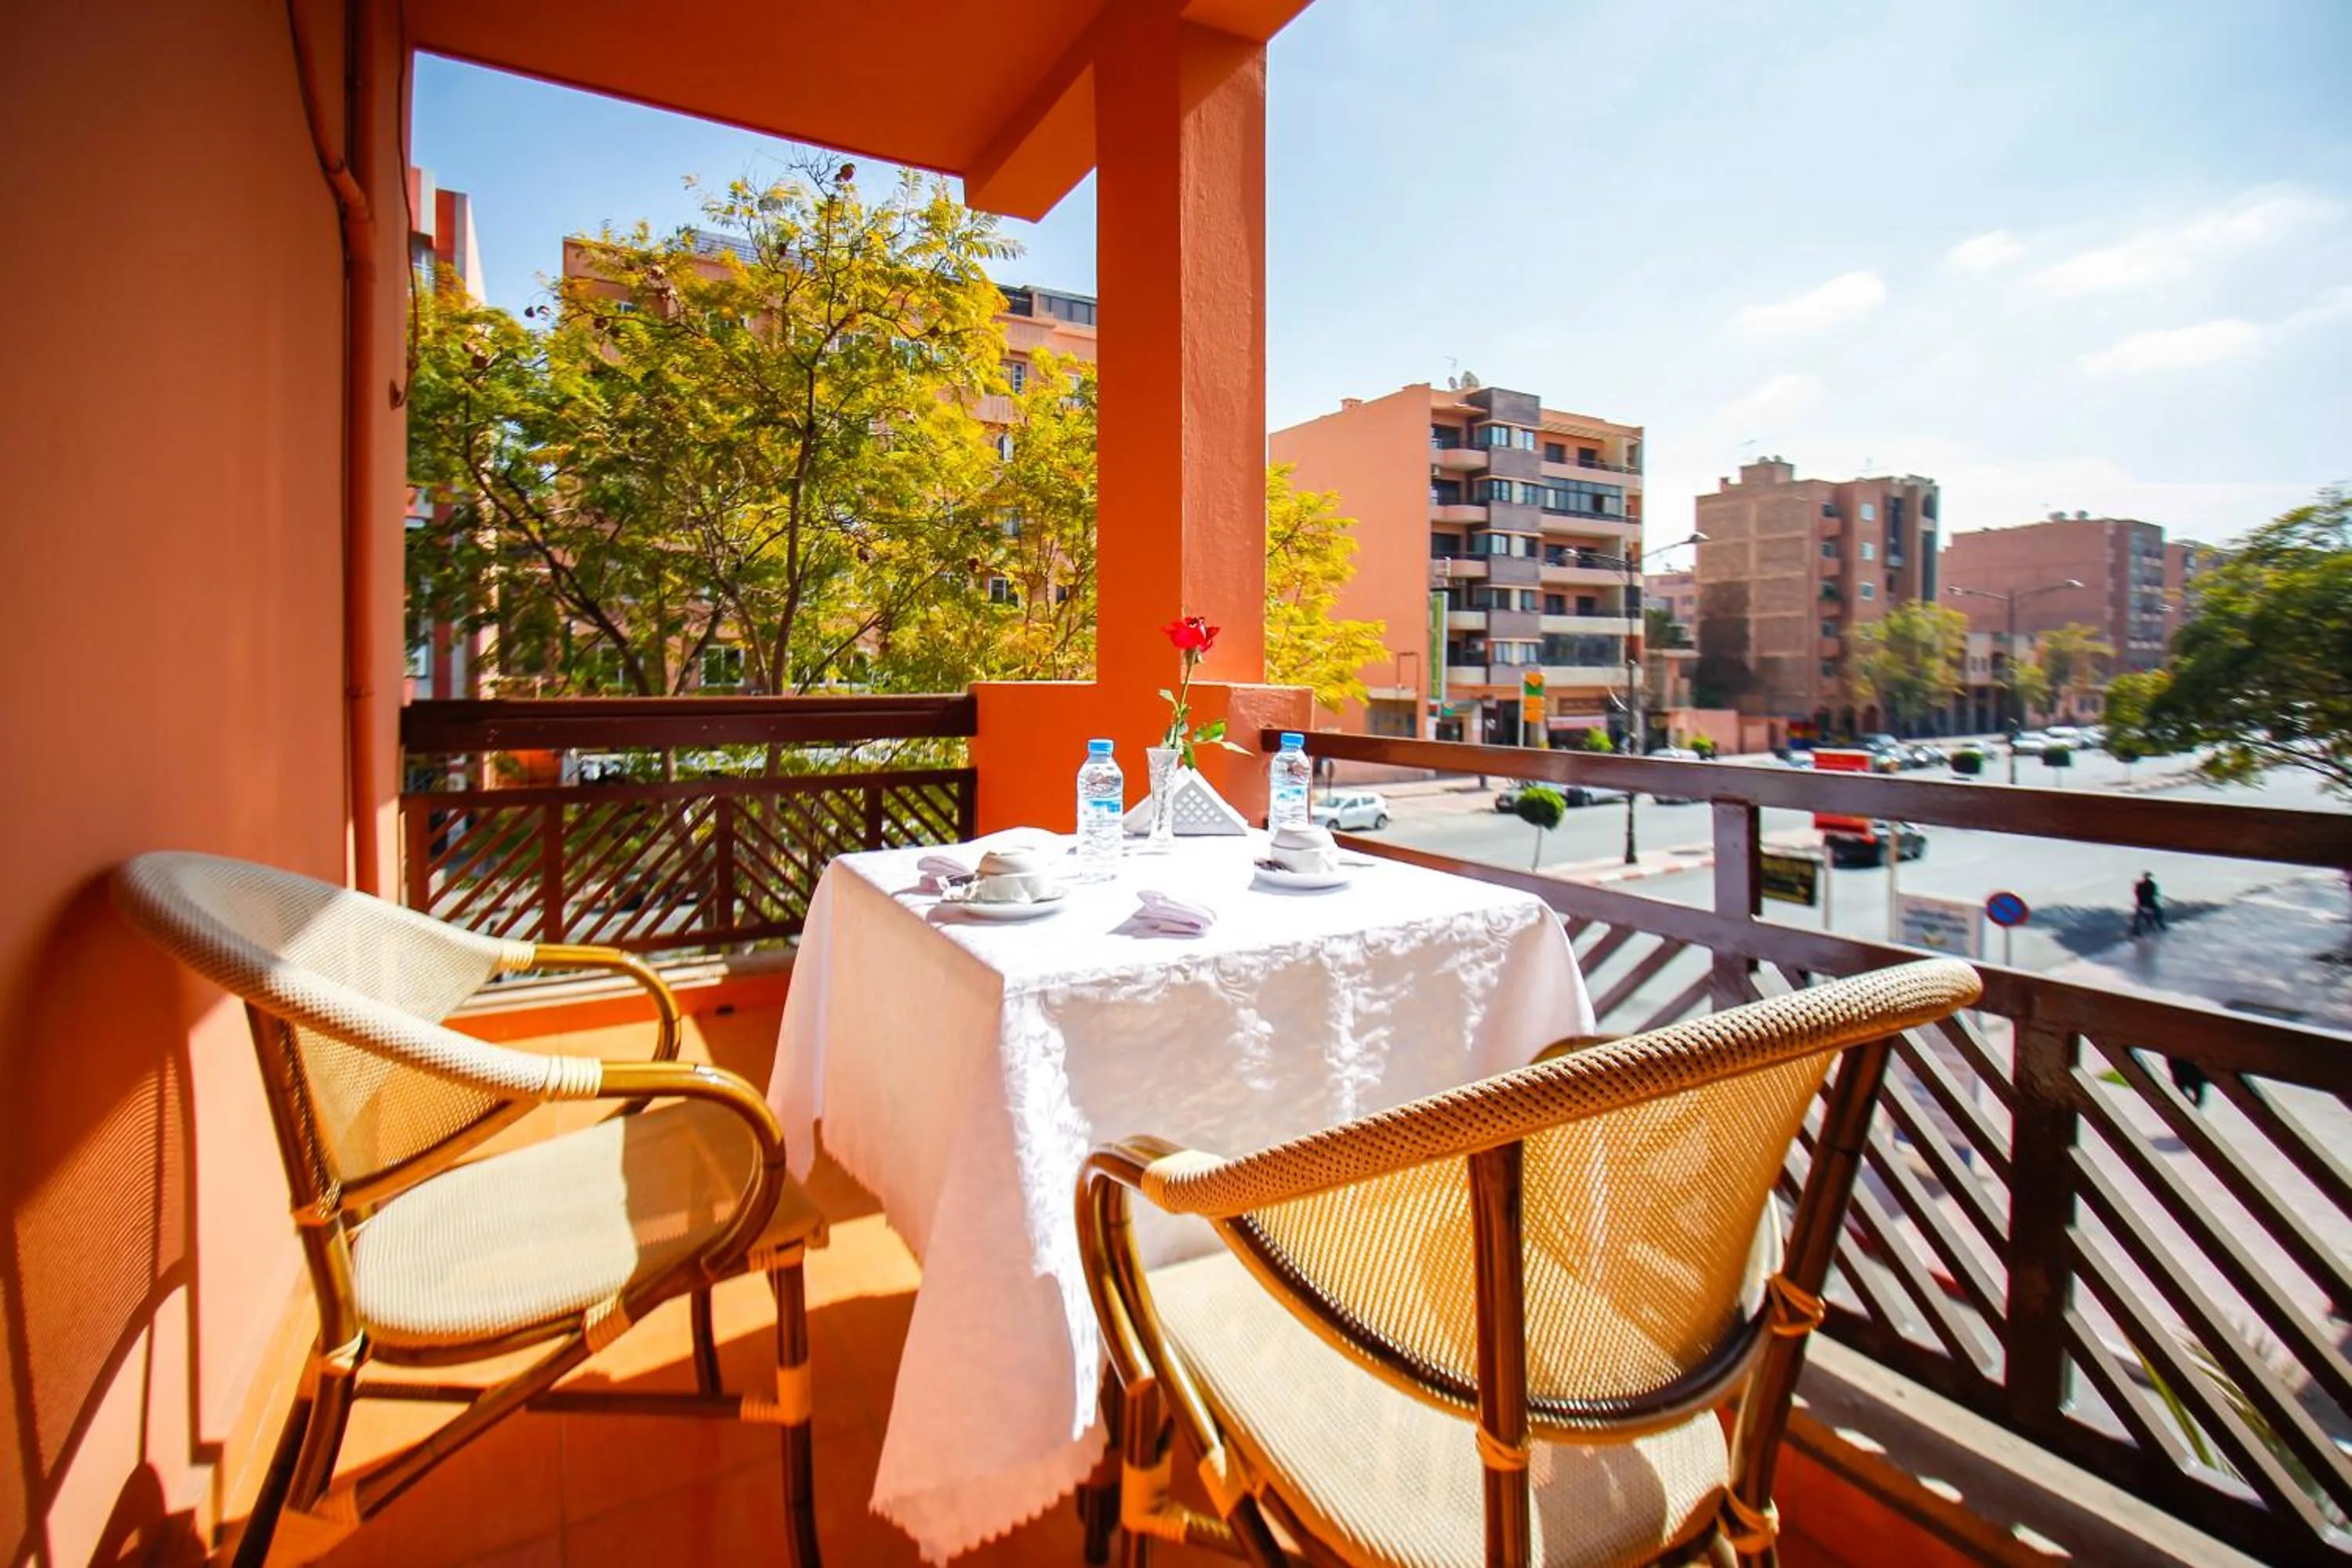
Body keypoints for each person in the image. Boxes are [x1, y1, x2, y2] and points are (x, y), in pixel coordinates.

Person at [2130, 871, 2166, 937]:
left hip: (2145, 902)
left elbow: (2137, 893)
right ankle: (2160, 926)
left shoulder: (2143, 885)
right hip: (2147, 903)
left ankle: (2136, 930)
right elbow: (2154, 894)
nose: (2147, 878)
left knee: (2138, 916)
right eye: (2147, 876)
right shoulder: (2150, 885)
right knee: (2157, 913)